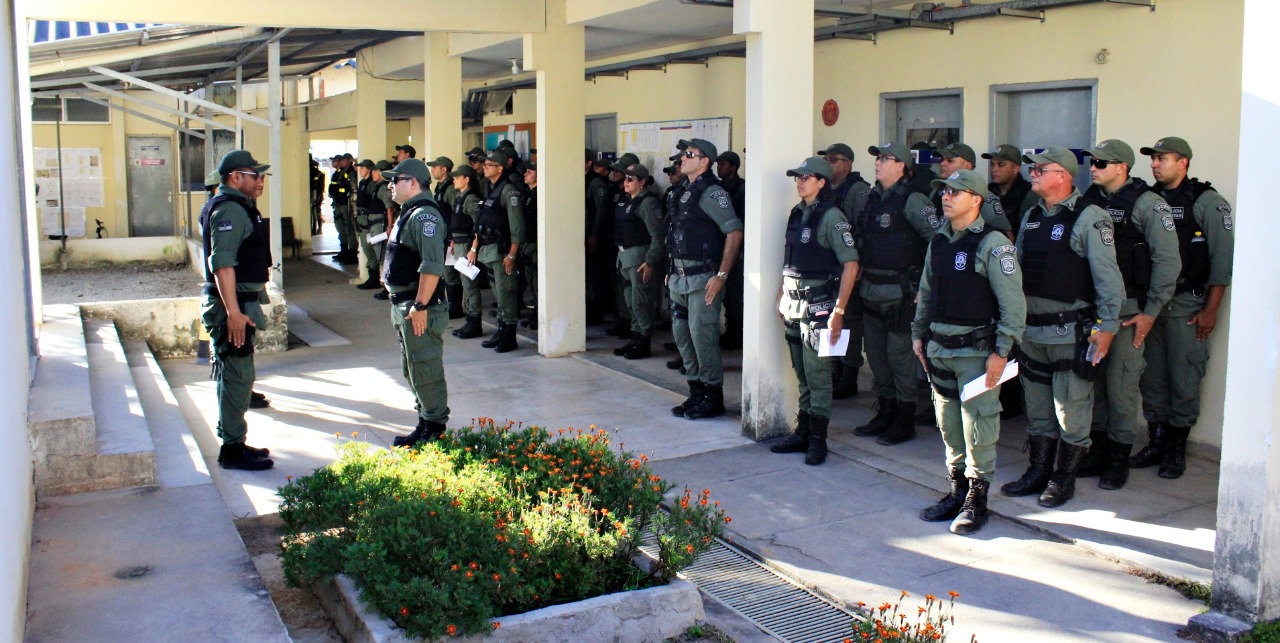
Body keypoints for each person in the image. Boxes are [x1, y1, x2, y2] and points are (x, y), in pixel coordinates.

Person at [1003, 146, 1124, 509]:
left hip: (1070, 334)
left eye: (1041, 169)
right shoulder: (1032, 216)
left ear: (1063, 176)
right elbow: (1021, 271)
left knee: (1071, 409)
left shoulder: (1091, 218)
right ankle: (1039, 470)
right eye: (1033, 169)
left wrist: (1107, 327)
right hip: (1032, 333)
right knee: (1038, 408)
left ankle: (1064, 478)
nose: (1033, 174)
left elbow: (1108, 280)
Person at [912, 169, 1026, 535]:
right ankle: (955, 492)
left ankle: (977, 501)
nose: (946, 196)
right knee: (948, 427)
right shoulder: (939, 241)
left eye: (955, 192)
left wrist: (1002, 351)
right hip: (940, 349)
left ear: (976, 199)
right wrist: (918, 334)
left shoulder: (994, 245)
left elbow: (1013, 305)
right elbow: (927, 293)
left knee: (980, 426)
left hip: (977, 354)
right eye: (944, 191)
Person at [1075, 139, 1180, 491]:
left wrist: (1151, 312)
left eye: (1102, 163)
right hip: (1091, 308)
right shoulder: (1088, 200)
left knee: (1121, 385)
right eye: (1093, 162)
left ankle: (1118, 457)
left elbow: (1168, 263)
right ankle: (1097, 450)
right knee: (1095, 383)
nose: (1094, 167)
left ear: (1122, 167)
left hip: (1128, 310)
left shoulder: (1148, 204)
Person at [1133, 137, 1234, 480]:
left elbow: (1222, 261)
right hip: (1151, 306)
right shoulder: (1148, 200)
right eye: (1153, 159)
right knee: (1152, 378)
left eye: (1163, 158)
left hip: (1187, 306)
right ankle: (1156, 441)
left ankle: (1176, 448)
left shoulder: (1206, 202)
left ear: (1184, 162)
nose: (1155, 164)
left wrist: (1211, 309)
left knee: (1185, 377)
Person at [769, 156, 859, 465]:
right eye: (797, 177)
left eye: (806, 177)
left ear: (821, 182)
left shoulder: (832, 217)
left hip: (819, 307)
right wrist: (781, 293)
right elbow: (790, 260)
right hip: (794, 304)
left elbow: (851, 264)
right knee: (802, 373)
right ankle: (803, 431)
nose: (799, 181)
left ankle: (818, 439)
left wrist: (840, 310)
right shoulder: (797, 213)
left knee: (818, 375)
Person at [850, 142, 938, 446]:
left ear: (901, 165)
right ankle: (885, 410)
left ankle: (904, 416)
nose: (878, 163)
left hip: (900, 294)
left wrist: (923, 288)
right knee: (875, 357)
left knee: (900, 359)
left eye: (885, 158)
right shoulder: (873, 198)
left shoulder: (914, 201)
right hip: (871, 290)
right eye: (877, 158)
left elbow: (936, 243)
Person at [199, 150, 274, 471]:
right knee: (236, 376)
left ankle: (235, 440)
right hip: (234, 306)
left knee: (236, 374)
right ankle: (232, 448)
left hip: (242, 303)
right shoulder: (229, 210)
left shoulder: (239, 207)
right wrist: (233, 312)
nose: (261, 181)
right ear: (235, 177)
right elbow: (223, 264)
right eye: (254, 175)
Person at [668, 138, 744, 420]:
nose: (682, 158)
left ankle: (713, 395)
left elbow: (734, 232)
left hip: (703, 279)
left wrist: (721, 275)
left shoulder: (712, 193)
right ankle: (696, 392)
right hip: (679, 277)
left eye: (689, 154)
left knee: (703, 338)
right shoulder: (683, 191)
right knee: (683, 338)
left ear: (704, 161)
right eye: (682, 154)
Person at [377, 158, 450, 447]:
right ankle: (425, 421)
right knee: (413, 368)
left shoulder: (424, 217)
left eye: (396, 179)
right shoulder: (409, 213)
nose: (390, 185)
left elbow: (432, 266)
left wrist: (420, 306)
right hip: (405, 305)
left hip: (419, 307)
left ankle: (434, 428)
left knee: (425, 367)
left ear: (413, 183)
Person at [817, 143, 871, 400]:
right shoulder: (827, 189)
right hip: (830, 265)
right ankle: (835, 369)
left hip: (849, 266)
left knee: (849, 320)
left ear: (847, 164)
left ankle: (849, 374)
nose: (829, 163)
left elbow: (862, 229)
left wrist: (857, 262)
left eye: (834, 159)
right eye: (827, 159)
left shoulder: (858, 190)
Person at [468, 149, 525, 353]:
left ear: (500, 168)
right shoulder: (491, 189)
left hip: (502, 252)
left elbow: (517, 227)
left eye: (489, 165)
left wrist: (511, 255)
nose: (484, 168)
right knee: (498, 292)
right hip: (489, 250)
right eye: (484, 165)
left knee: (506, 292)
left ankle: (509, 335)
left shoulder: (509, 191)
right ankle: (501, 331)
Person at [611, 163, 666, 360]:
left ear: (642, 182)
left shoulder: (648, 203)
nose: (625, 182)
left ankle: (644, 340)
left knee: (641, 300)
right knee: (631, 300)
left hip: (639, 257)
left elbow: (657, 237)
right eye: (625, 178)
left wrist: (650, 261)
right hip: (625, 257)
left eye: (630, 179)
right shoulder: (628, 201)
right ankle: (635, 337)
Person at [449, 165, 485, 339]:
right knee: (465, 284)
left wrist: (473, 249)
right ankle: (470, 319)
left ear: (467, 179)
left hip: (467, 246)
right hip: (460, 243)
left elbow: (478, 226)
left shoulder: (470, 199)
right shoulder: (460, 196)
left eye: (457, 177)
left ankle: (474, 322)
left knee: (470, 286)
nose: (454, 179)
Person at [715, 151, 746, 350]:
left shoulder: (741, 188)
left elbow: (741, 221)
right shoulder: (718, 188)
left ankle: (736, 334)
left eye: (723, 164)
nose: (719, 168)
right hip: (720, 246)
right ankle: (730, 332)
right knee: (726, 295)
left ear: (733, 167)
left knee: (735, 295)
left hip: (736, 249)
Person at [427, 156, 464, 319]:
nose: (432, 169)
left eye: (435, 167)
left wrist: (453, 237)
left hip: (450, 235)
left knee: (450, 271)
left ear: (444, 170)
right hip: (442, 234)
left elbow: (455, 213)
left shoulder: (450, 188)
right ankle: (450, 303)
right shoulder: (440, 186)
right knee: (445, 270)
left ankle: (455, 306)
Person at [983, 144, 1038, 231]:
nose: (994, 169)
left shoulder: (1028, 193)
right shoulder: (986, 191)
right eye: (992, 164)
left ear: (1016, 168)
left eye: (1001, 165)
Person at [354, 160, 385, 290]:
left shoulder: (372, 185)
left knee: (371, 247)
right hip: (362, 219)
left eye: (362, 168)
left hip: (369, 220)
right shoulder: (362, 183)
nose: (360, 170)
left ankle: (374, 278)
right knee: (366, 247)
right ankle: (372, 276)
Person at [371, 160, 397, 301]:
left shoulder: (383, 188)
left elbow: (390, 208)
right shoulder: (377, 186)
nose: (373, 173)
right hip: (377, 225)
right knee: (381, 256)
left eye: (375, 171)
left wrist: (389, 226)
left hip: (382, 226)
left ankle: (387, 288)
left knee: (384, 257)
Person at [520, 162, 540, 330]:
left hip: (536, 242)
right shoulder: (527, 194)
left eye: (529, 172)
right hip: (527, 242)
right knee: (530, 279)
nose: (525, 174)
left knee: (537, 279)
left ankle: (540, 313)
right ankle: (535, 312)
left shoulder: (540, 195)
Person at [328, 154, 358, 264]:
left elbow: (349, 189)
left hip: (346, 204)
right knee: (341, 228)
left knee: (349, 228)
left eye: (344, 160)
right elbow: (334, 188)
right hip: (338, 203)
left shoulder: (350, 172)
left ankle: (352, 252)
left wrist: (340, 193)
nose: (334, 163)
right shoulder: (339, 173)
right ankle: (344, 250)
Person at [309, 156, 324, 235]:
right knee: (315, 211)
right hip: (317, 194)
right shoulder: (318, 173)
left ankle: (315, 229)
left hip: (314, 193)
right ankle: (316, 229)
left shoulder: (313, 172)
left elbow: (316, 185)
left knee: (314, 211)